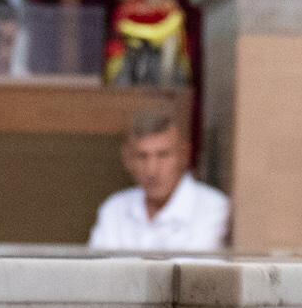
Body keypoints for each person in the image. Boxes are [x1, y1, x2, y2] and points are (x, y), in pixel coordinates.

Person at [87, 103, 229, 253]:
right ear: (127, 159)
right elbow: (97, 272)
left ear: (184, 154)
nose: (152, 170)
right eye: (142, 156)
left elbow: (192, 274)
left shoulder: (213, 208)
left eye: (163, 155)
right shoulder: (114, 209)